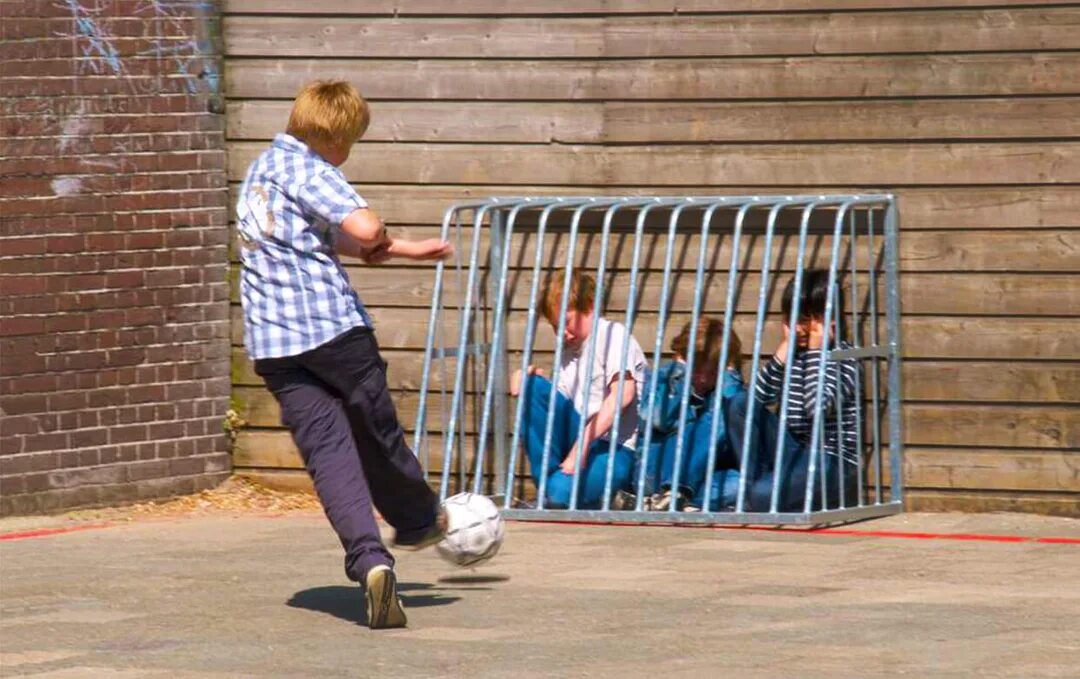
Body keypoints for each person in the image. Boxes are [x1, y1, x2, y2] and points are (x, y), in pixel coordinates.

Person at [236, 80, 452, 629]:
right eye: (350, 144)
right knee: (377, 435)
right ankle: (419, 517)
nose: (348, 154)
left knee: (330, 456)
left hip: (276, 347)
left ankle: (371, 563)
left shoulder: (260, 174)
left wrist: (404, 250)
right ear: (336, 138)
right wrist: (376, 226)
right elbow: (361, 225)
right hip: (333, 334)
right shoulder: (311, 168)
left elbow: (322, 239)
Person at [725, 269, 862, 512]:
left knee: (759, 496)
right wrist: (783, 353)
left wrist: (815, 353)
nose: (799, 328)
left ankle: (757, 496)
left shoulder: (846, 359)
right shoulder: (794, 356)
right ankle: (756, 492)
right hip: (792, 452)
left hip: (830, 460)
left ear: (828, 319)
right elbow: (756, 400)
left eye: (807, 319)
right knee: (739, 403)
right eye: (793, 318)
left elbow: (817, 407)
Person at [510, 270, 646, 509]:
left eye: (566, 321)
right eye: (554, 326)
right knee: (532, 386)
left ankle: (558, 495)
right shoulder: (568, 348)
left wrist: (582, 443)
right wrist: (530, 381)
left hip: (611, 446)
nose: (562, 332)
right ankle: (554, 490)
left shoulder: (613, 335)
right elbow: (562, 405)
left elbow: (623, 395)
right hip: (575, 435)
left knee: (561, 495)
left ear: (590, 306)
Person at [623, 319, 746, 512]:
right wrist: (679, 373)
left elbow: (734, 420)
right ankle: (674, 493)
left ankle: (670, 502)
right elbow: (656, 418)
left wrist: (729, 376)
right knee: (696, 424)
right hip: (656, 473)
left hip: (699, 479)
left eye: (713, 372)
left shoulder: (725, 390)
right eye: (696, 370)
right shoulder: (664, 378)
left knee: (739, 483)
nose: (704, 379)